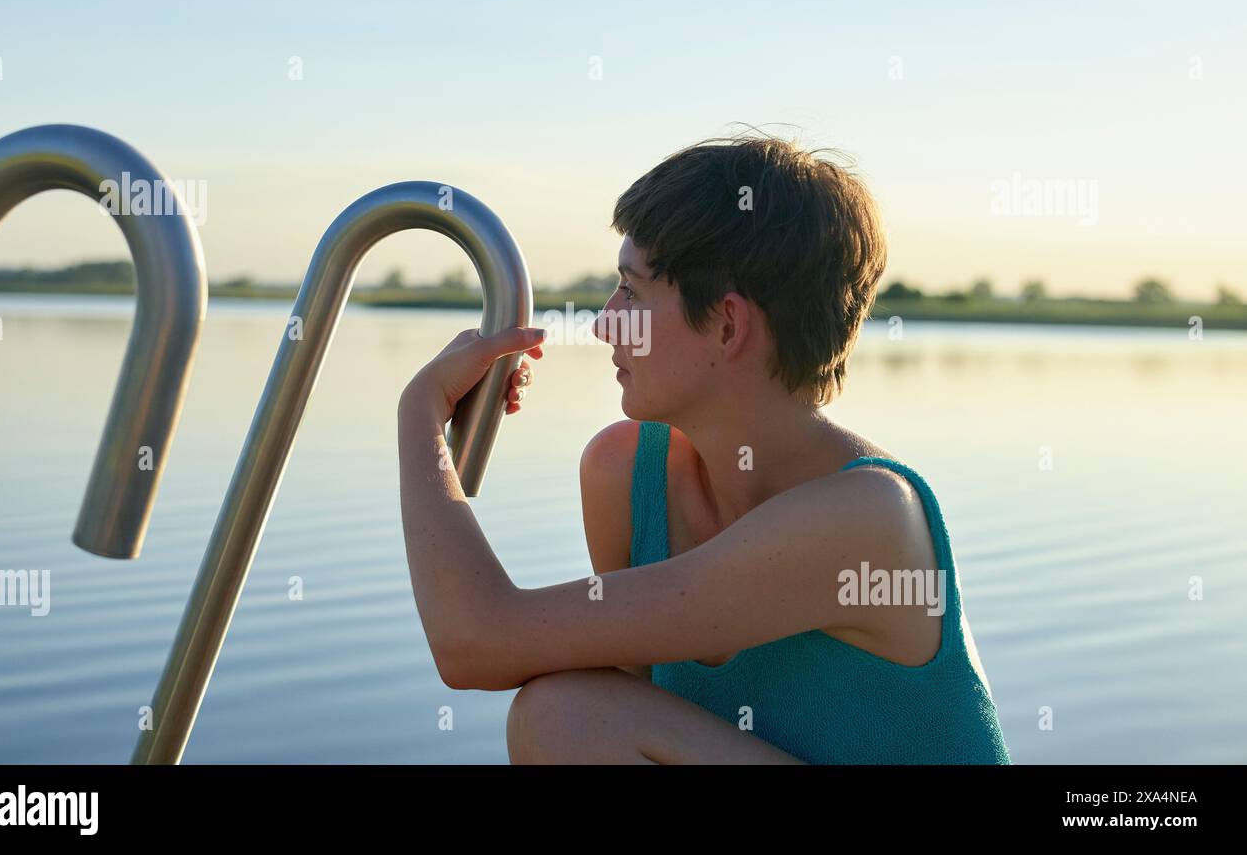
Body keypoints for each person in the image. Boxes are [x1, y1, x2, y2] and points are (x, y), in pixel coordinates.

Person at [397, 133, 1011, 763]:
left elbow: (475, 643)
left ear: (727, 324)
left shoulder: (865, 519)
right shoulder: (627, 476)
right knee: (570, 712)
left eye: (631, 294)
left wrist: (421, 417)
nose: (605, 322)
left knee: (564, 716)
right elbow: (615, 710)